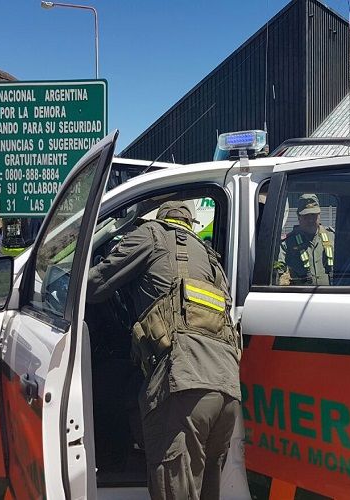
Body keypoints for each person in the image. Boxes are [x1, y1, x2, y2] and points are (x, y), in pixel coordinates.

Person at [87, 201, 241, 500]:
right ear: (190, 223)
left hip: (183, 386)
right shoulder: (211, 259)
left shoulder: (151, 234)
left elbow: (93, 286)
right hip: (226, 392)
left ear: (163, 218)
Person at [275, 193, 335, 285]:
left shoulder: (333, 237)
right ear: (298, 217)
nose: (310, 220)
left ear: (319, 215)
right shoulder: (288, 242)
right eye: (306, 216)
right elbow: (276, 271)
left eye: (313, 215)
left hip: (332, 296)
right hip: (301, 296)